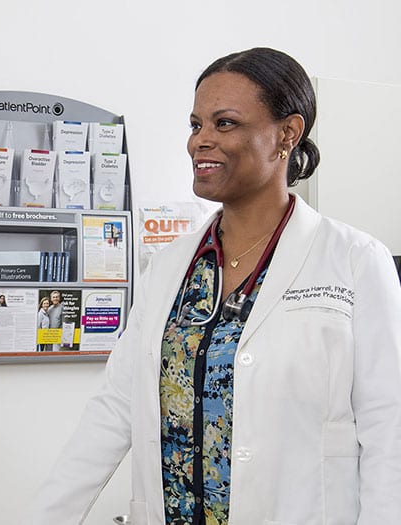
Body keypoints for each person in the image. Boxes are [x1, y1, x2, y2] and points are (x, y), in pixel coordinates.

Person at [25, 47, 401, 524]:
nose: (200, 141)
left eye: (224, 123)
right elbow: (114, 411)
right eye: (195, 124)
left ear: (287, 133)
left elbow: (390, 430)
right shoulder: (169, 268)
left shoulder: (355, 261)